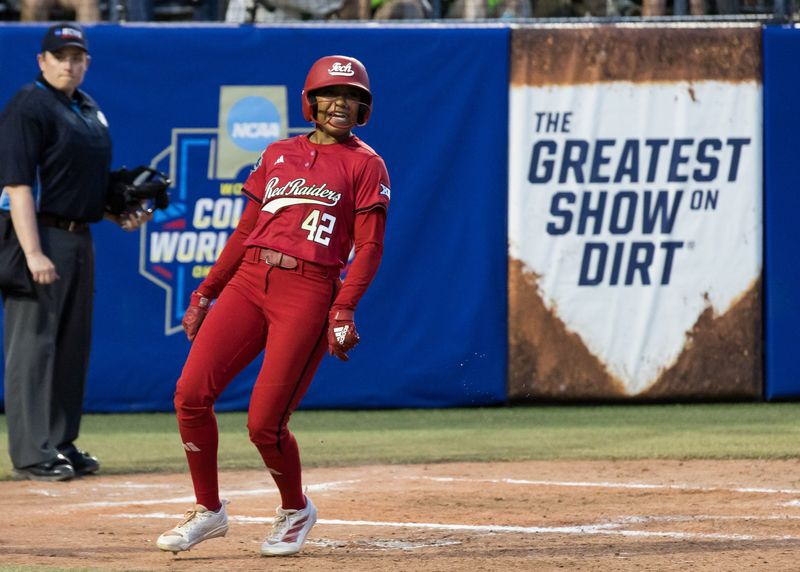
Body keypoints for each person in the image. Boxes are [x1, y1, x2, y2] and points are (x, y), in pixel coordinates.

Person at [155, 54, 391, 557]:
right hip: (247, 281)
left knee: (264, 423)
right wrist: (205, 291)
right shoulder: (278, 152)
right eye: (331, 94)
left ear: (364, 108)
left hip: (309, 289)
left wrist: (344, 308)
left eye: (353, 97)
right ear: (311, 100)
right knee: (190, 393)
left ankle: (295, 507)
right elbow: (245, 232)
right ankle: (208, 510)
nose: (342, 104)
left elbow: (369, 247)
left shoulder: (366, 164)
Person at [0, 23, 149, 482]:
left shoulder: (87, 108)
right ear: (42, 61)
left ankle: (61, 442)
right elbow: (18, 184)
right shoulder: (30, 104)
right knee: (33, 347)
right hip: (39, 236)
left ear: (87, 62)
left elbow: (75, 183)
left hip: (79, 235)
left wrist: (116, 209)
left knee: (70, 347)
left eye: (76, 56)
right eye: (59, 55)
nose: (69, 63)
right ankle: (31, 452)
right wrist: (33, 253)